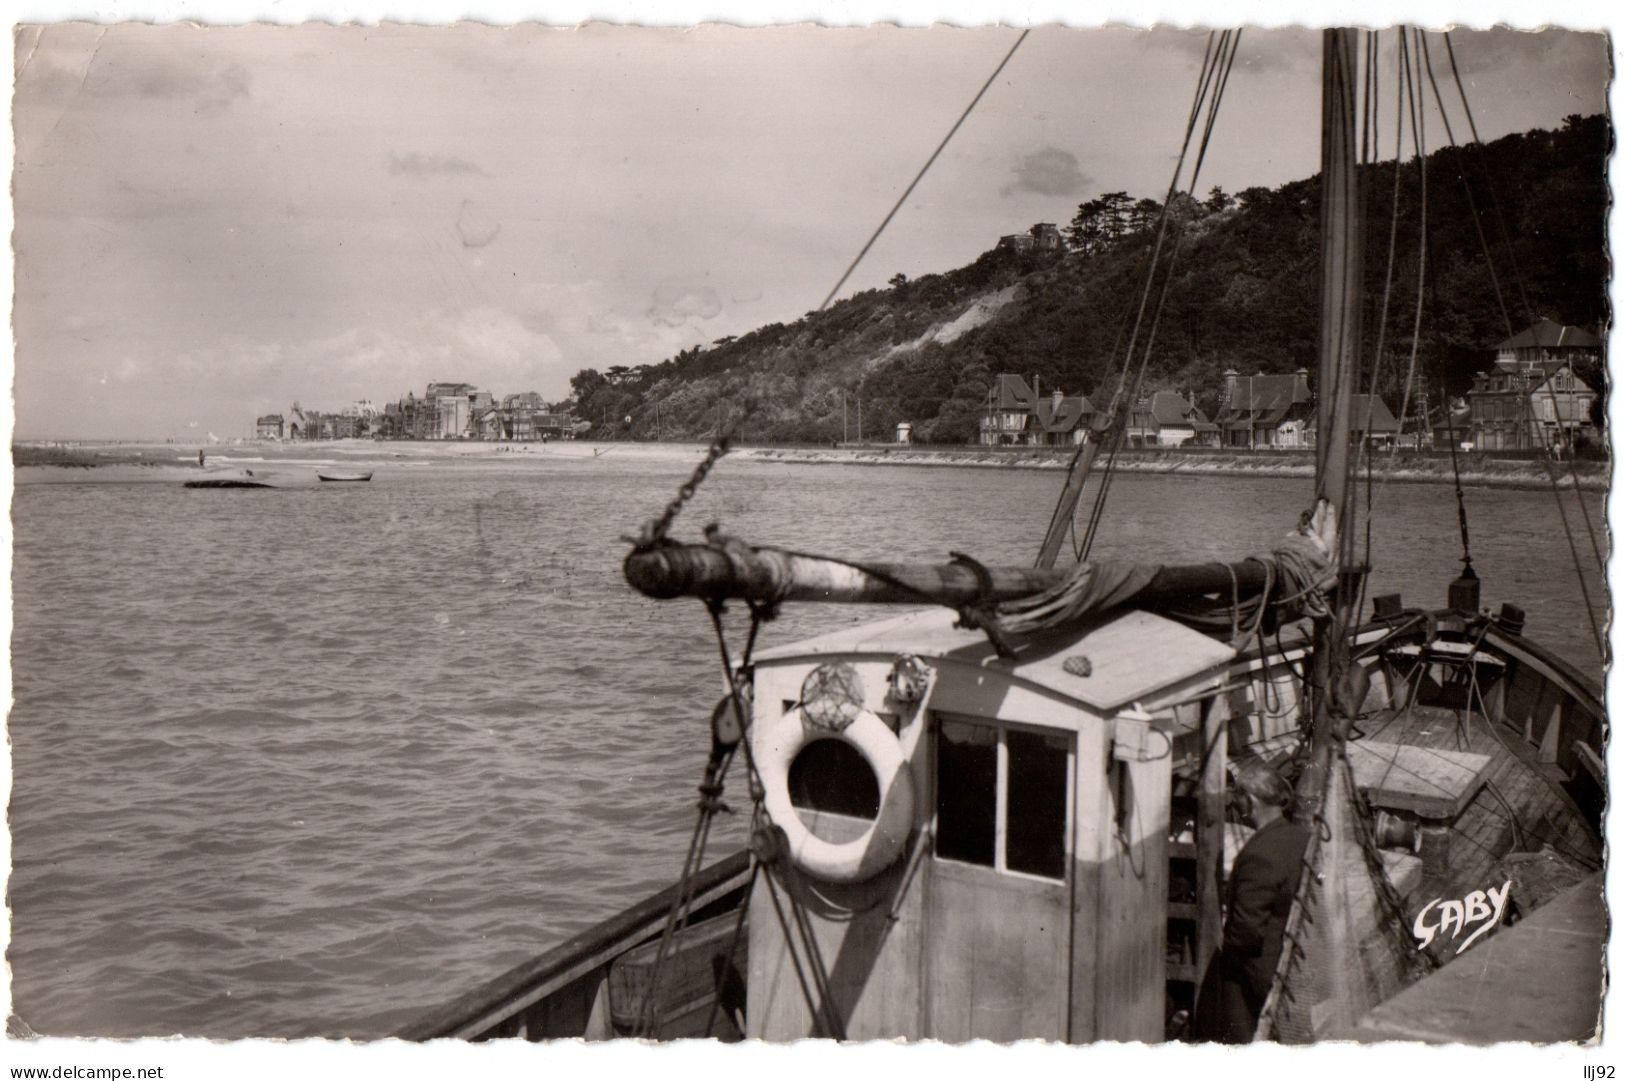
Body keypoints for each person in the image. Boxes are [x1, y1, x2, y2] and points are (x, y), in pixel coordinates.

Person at [1208, 760, 1310, 1043]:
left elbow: (1246, 932)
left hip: (1258, 976)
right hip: (1293, 966)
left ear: (1250, 801)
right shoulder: (1301, 837)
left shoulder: (1259, 854)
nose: (1236, 804)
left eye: (1238, 797)